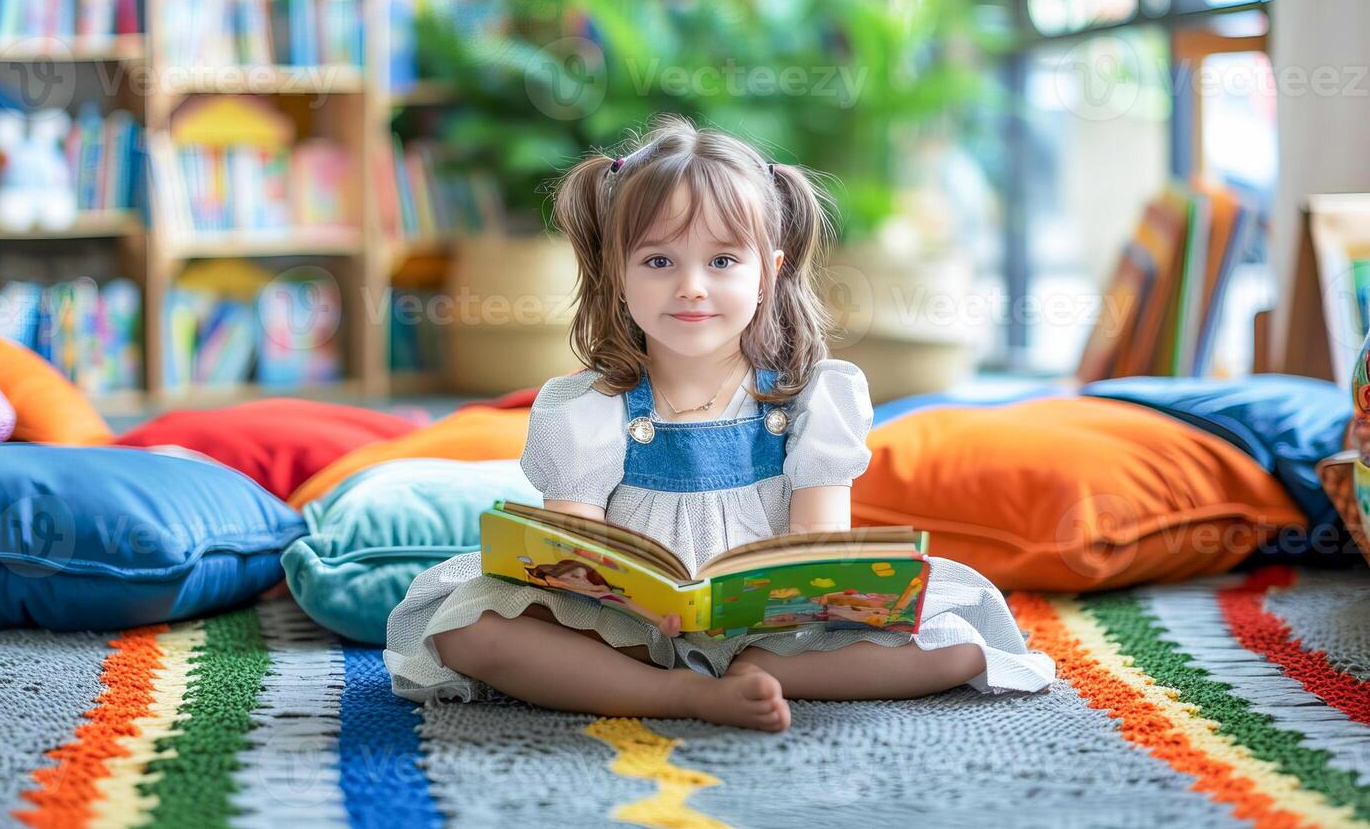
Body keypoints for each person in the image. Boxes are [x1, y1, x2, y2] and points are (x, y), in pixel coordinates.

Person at [383, 116, 1055, 732]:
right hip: (622, 628)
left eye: (723, 261)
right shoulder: (588, 406)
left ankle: (744, 673)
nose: (692, 286)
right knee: (468, 628)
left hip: (777, 633)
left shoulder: (814, 397)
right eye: (658, 261)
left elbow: (819, 544)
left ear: (769, 273)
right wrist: (628, 600)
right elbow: (571, 558)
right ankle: (681, 694)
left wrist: (790, 606)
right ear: (618, 277)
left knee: (960, 638)